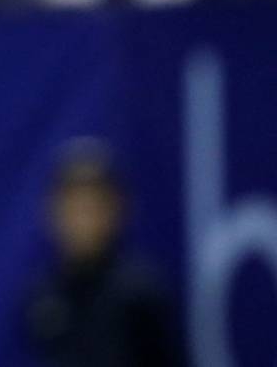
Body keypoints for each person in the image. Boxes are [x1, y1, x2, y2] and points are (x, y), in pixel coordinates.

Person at [24, 138, 180, 367]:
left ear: (117, 209)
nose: (83, 219)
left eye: (93, 206)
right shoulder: (42, 299)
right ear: (53, 211)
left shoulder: (140, 294)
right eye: (74, 206)